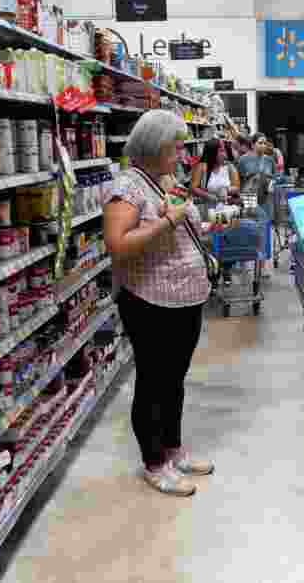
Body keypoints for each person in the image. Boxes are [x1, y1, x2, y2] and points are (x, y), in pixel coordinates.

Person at [103, 109, 215, 497]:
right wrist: (167, 222)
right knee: (154, 381)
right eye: (176, 146)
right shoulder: (128, 187)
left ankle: (173, 449)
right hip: (150, 301)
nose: (183, 154)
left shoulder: (165, 180)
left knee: (174, 380)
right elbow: (118, 246)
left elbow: (184, 224)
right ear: (154, 146)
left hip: (186, 297)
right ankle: (154, 462)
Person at [191, 139, 240, 203]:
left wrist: (227, 190)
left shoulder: (229, 167)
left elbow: (237, 187)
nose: (224, 154)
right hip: (207, 207)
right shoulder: (202, 167)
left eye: (224, 151)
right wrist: (207, 195)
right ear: (212, 152)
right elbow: (193, 188)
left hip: (227, 207)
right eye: (221, 151)